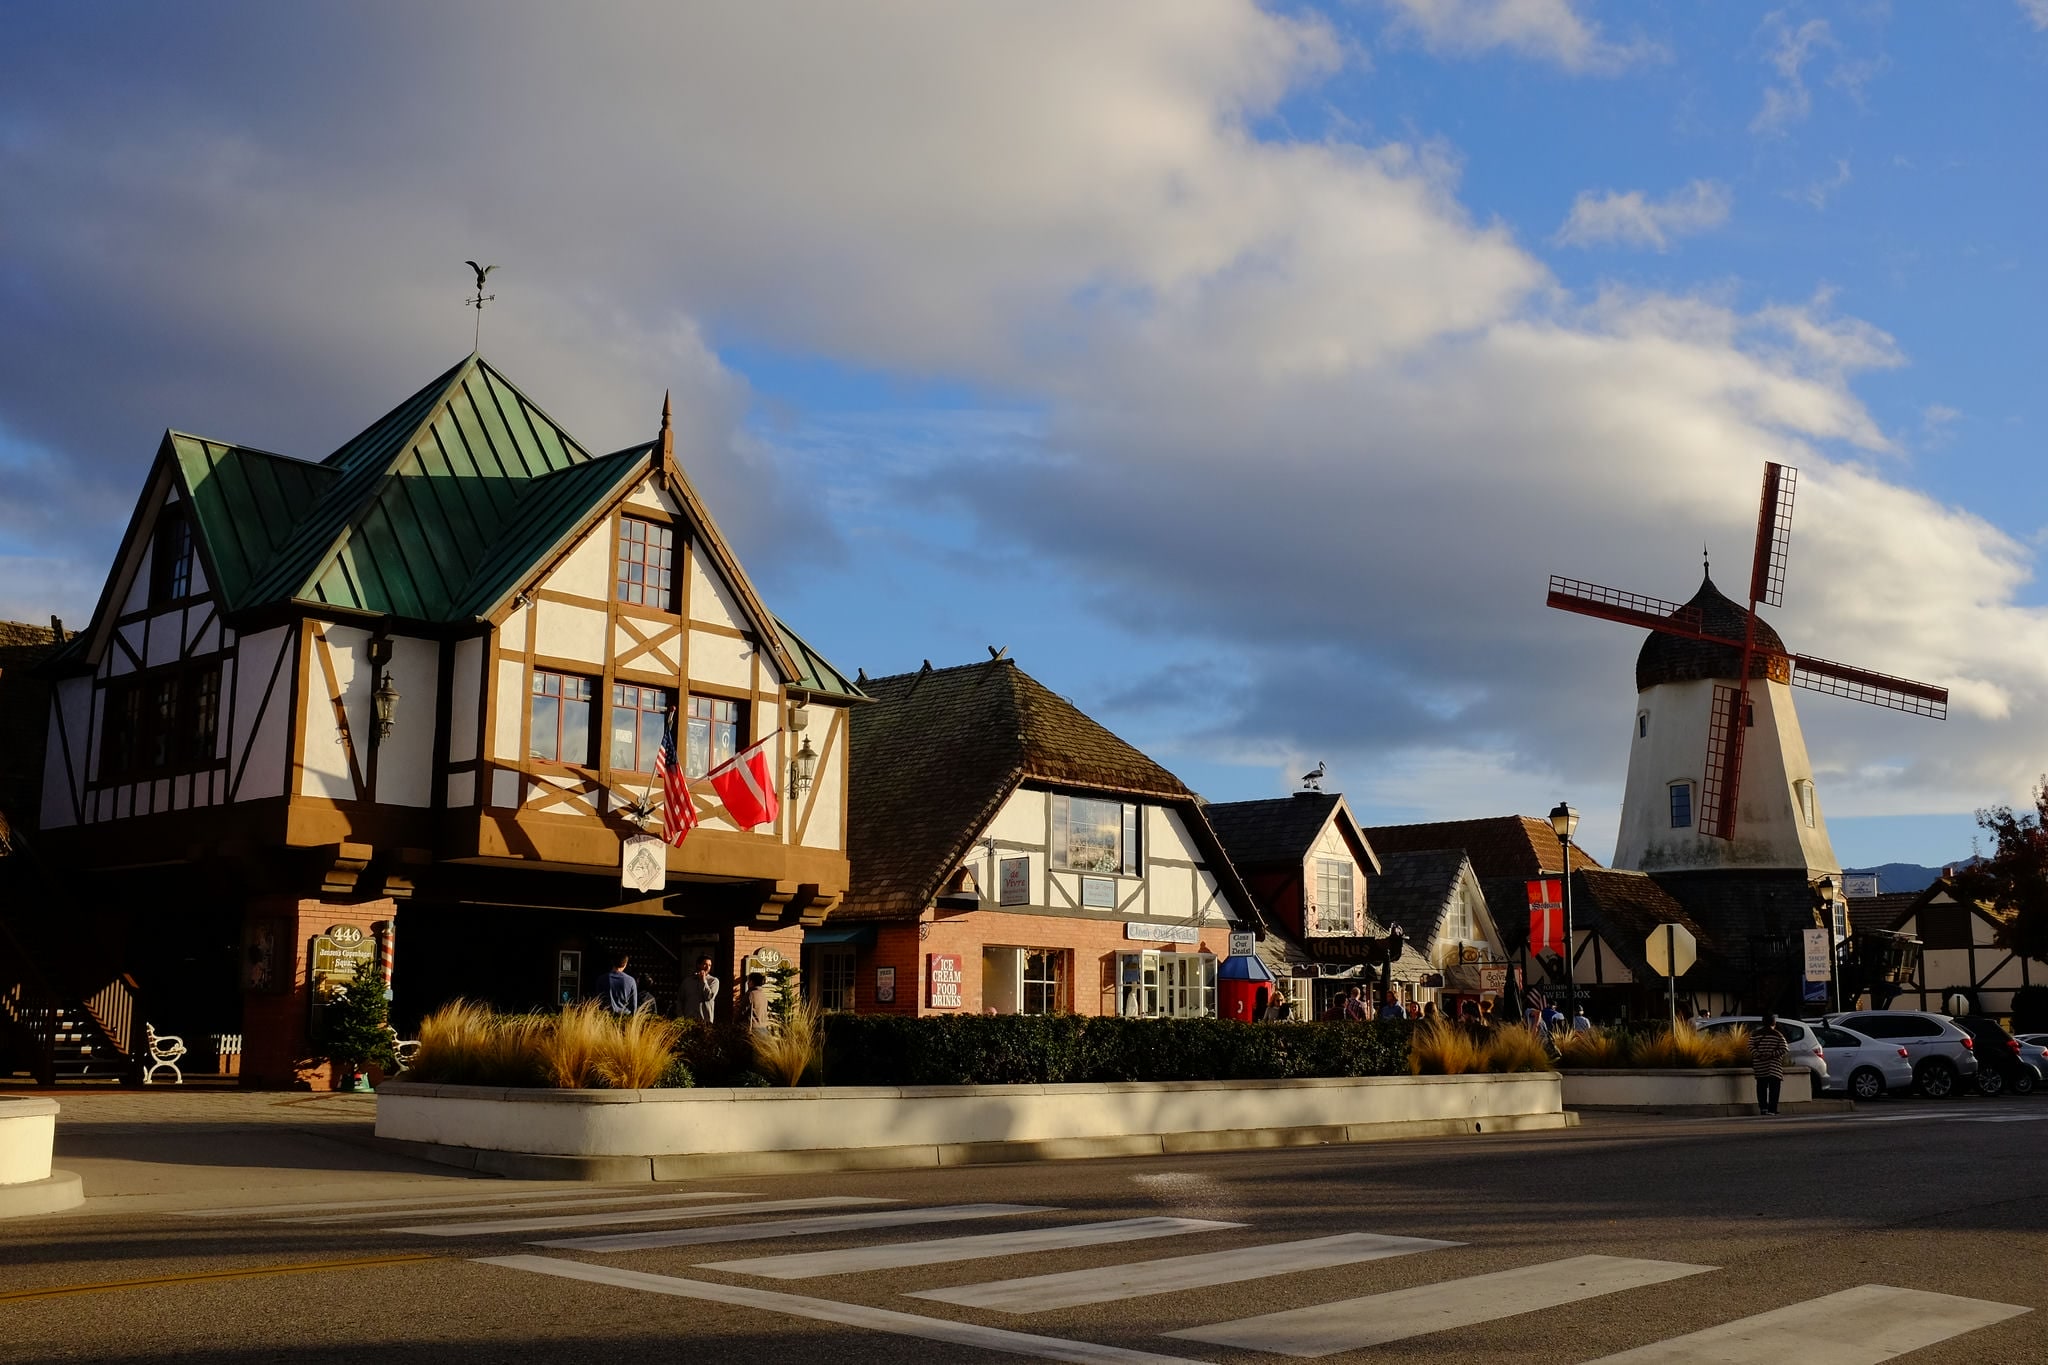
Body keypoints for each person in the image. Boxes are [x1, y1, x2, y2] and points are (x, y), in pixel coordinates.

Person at [1749, 1011, 1789, 1115]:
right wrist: (1772, 1055)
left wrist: (1759, 1055)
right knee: (1774, 1089)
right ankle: (1772, 1109)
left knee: (1761, 1087)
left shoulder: (1755, 1034)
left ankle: (1763, 1108)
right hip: (1773, 1066)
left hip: (1759, 1065)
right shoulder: (1777, 1034)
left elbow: (1750, 1047)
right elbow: (1784, 1049)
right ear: (1773, 1023)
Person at [680, 954, 720, 1024]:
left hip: (705, 1021)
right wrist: (680, 1017)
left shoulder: (714, 981)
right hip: (688, 1020)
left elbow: (709, 997)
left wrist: (703, 981)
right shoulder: (687, 981)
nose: (708, 967)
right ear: (698, 965)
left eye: (710, 965)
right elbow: (680, 1000)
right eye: (705, 964)